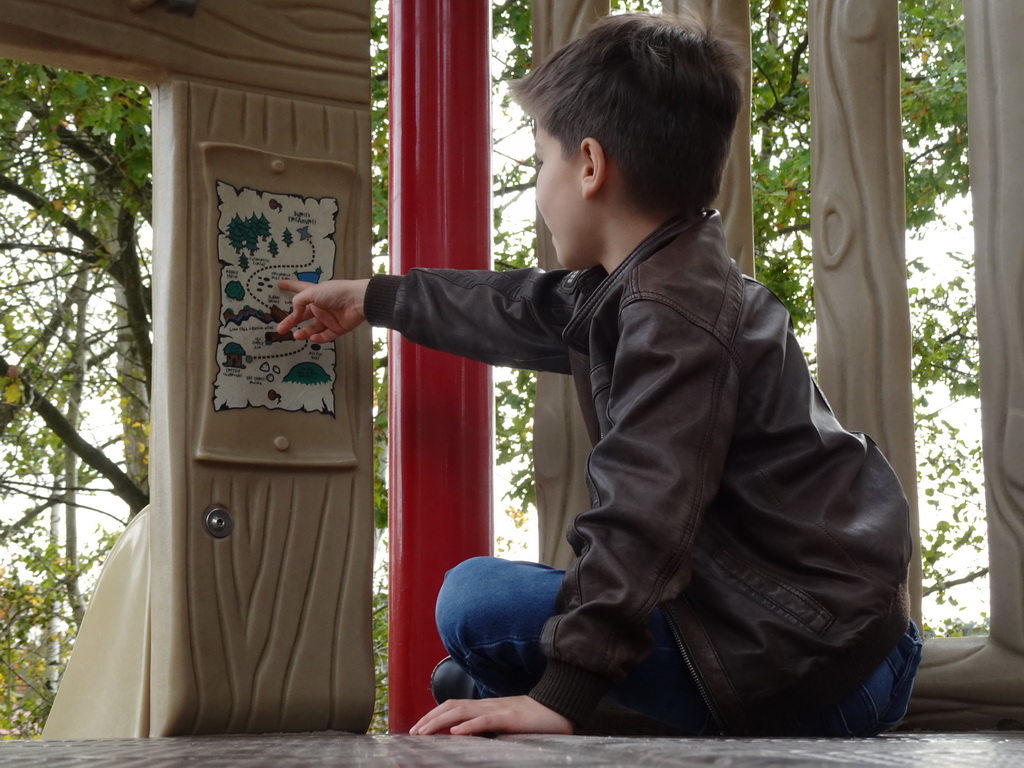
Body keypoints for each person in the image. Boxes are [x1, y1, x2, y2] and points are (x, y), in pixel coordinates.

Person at [277, 12, 921, 738]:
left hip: (806, 671)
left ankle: (578, 703)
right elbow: (515, 307)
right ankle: (568, 700)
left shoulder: (673, 317)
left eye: (540, 161)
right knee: (467, 677)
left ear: (589, 165)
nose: (537, 187)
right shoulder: (653, 282)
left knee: (474, 601)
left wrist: (563, 693)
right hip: (823, 641)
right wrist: (373, 298)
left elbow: (643, 511)